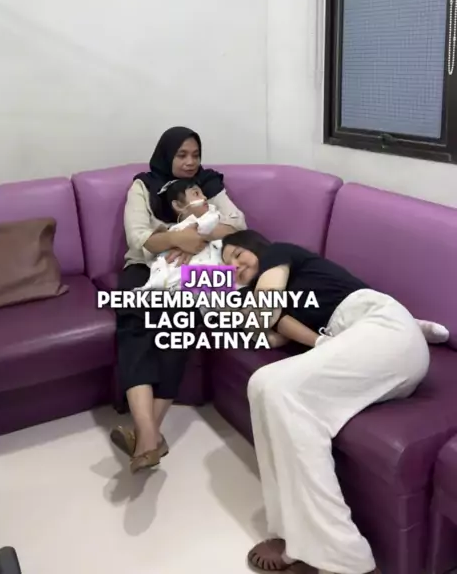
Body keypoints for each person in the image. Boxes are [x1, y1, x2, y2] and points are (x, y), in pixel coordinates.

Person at [221, 230, 449, 574]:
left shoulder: (279, 253)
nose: (236, 266)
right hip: (358, 350)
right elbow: (273, 332)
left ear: (257, 248)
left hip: (382, 328)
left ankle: (345, 558)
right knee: (266, 390)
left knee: (274, 387)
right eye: (227, 265)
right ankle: (297, 537)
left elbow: (266, 309)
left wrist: (242, 309)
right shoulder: (264, 297)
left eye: (238, 255)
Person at [111, 127, 246, 473]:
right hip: (145, 266)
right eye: (182, 155)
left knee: (179, 326)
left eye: (195, 155)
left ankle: (145, 437)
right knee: (134, 321)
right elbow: (138, 237)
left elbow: (238, 225)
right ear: (166, 154)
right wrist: (179, 240)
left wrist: (193, 237)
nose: (190, 162)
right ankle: (150, 434)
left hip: (194, 266)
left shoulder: (208, 185)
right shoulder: (143, 186)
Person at [142, 180, 226, 291]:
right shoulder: (172, 231)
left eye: (203, 193)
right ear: (178, 205)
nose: (205, 197)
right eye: (196, 194)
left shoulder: (213, 215)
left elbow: (211, 223)